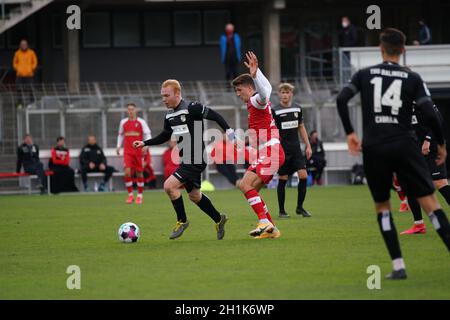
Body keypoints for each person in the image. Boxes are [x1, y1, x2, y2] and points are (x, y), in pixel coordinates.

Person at [336, 28, 450, 280]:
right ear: (404, 50)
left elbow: (342, 99)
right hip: (404, 144)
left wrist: (350, 133)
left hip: (375, 147)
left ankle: (398, 266)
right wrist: (440, 142)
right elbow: (431, 114)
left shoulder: (364, 74)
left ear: (380, 48)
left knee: (382, 207)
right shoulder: (412, 78)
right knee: (431, 203)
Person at [133, 79, 233, 240]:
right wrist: (145, 142)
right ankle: (218, 219)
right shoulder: (169, 115)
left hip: (196, 158)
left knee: (169, 186)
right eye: (162, 96)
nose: (163, 99)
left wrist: (228, 130)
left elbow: (215, 115)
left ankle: (182, 221)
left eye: (167, 95)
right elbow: (165, 135)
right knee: (195, 196)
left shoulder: (192, 108)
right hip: (186, 159)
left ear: (177, 93)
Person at [231, 52, 285, 239]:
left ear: (248, 88)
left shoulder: (256, 100)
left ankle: (264, 221)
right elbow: (268, 87)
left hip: (271, 150)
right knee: (252, 190)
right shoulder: (254, 103)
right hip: (271, 150)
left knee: (245, 184)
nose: (238, 94)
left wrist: (255, 75)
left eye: (239, 90)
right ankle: (272, 229)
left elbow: (265, 92)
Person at [399, 104, 450, 235]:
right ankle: (418, 225)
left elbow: (437, 119)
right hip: (415, 148)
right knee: (410, 185)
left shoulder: (420, 99)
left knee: (440, 182)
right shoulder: (399, 102)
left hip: (432, 147)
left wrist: (428, 139)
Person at [271, 83, 312, 218]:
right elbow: (271, 131)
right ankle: (282, 211)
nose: (285, 95)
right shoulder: (274, 110)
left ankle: (300, 207)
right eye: (282, 92)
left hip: (296, 149)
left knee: (303, 176)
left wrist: (308, 145)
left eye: (287, 92)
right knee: (283, 178)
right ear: (279, 94)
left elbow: (301, 126)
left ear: (291, 94)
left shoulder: (297, 108)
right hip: (282, 150)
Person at [116, 103, 152, 204]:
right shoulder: (123, 122)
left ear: (135, 110)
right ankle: (130, 195)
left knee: (139, 172)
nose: (131, 111)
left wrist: (146, 146)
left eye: (132, 109)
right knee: (127, 172)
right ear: (127, 111)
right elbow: (120, 135)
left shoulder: (141, 122)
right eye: (129, 109)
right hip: (127, 151)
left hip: (138, 151)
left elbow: (148, 134)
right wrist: (118, 146)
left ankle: (140, 195)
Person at [13, 39, 38, 106]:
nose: (23, 46)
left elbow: (35, 62)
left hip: (29, 74)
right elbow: (14, 63)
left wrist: (31, 68)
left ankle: (32, 103)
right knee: (18, 89)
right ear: (20, 45)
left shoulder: (31, 53)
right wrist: (18, 69)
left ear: (27, 45)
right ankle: (20, 103)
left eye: (25, 44)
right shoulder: (17, 53)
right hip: (19, 74)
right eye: (22, 44)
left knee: (31, 89)